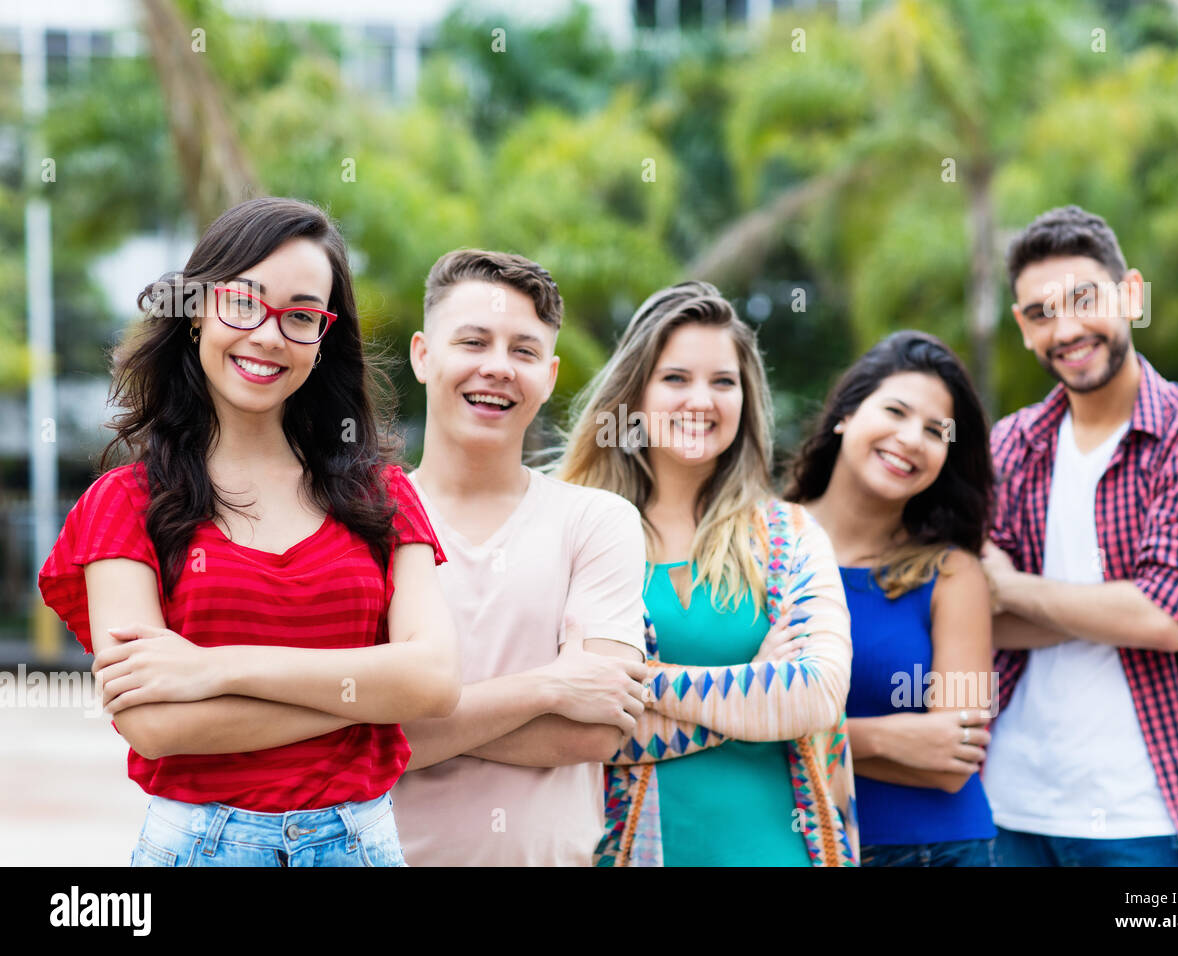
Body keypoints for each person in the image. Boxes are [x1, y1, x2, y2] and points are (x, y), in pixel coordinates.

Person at [38, 197, 461, 867]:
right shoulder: (124, 504)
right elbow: (157, 727)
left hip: (362, 846)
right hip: (200, 850)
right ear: (198, 309)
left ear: (323, 340)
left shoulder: (384, 496)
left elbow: (434, 682)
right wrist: (371, 699)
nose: (267, 336)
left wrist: (212, 668)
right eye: (243, 302)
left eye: (299, 316)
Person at [979, 204, 1178, 867]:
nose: (1067, 328)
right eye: (1040, 312)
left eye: (1085, 299)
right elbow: (974, 614)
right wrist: (1108, 607)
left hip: (1147, 820)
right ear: (1023, 330)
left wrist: (1017, 588)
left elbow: (1165, 618)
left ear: (1131, 296)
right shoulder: (1011, 446)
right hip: (1007, 808)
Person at [557, 281, 857, 867]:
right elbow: (570, 730)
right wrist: (750, 687)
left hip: (783, 850)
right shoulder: (573, 528)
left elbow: (815, 694)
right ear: (636, 394)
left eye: (723, 382)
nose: (702, 400)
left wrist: (638, 684)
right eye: (676, 378)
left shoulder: (789, 534)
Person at [391, 249, 650, 867]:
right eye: (474, 342)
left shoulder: (598, 521)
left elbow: (594, 730)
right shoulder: (363, 518)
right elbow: (349, 733)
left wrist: (416, 725)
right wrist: (552, 685)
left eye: (524, 351)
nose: (498, 368)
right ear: (424, 355)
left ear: (550, 374)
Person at [786, 330, 998, 867]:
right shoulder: (761, 538)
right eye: (896, 411)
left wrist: (790, 735)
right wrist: (884, 738)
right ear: (846, 413)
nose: (910, 438)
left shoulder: (955, 573)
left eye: (934, 431)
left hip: (935, 851)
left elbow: (956, 758)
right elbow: (722, 722)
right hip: (787, 842)